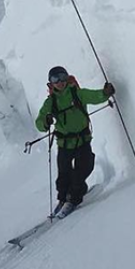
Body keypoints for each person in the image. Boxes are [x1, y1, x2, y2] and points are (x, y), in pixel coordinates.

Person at [35, 66, 115, 217]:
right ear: (50, 83)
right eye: (55, 79)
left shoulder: (76, 93)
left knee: (84, 167)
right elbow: (39, 122)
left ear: (67, 77)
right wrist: (45, 122)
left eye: (62, 77)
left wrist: (105, 93)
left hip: (83, 140)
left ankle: (73, 198)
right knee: (63, 174)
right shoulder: (50, 102)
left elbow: (93, 96)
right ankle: (63, 198)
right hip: (64, 144)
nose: (59, 82)